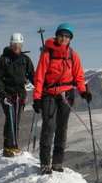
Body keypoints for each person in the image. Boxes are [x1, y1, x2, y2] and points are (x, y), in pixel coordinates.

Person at [32, 23, 92, 174]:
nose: (64, 38)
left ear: (70, 39)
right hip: (49, 94)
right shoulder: (47, 54)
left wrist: (83, 91)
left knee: (62, 128)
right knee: (48, 127)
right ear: (57, 36)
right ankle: (45, 163)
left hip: (67, 94)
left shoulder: (73, 55)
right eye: (61, 35)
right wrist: (37, 97)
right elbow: (39, 76)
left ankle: (57, 162)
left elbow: (78, 76)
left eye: (67, 36)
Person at [0, 32, 35, 157]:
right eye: (14, 44)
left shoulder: (25, 60)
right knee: (11, 119)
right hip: (8, 95)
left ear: (21, 45)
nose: (17, 46)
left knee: (15, 120)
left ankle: (12, 146)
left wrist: (40, 85)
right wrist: (3, 94)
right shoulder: (3, 60)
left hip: (20, 95)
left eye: (19, 44)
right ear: (10, 44)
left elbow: (32, 75)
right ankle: (9, 147)